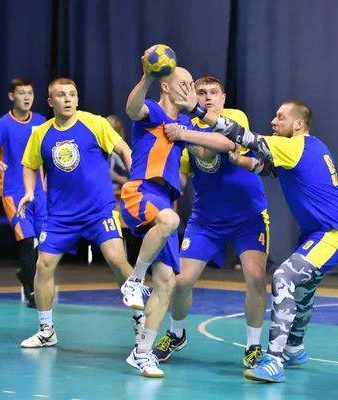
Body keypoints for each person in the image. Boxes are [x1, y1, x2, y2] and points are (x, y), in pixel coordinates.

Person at [166, 84, 338, 383]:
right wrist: (240, 160)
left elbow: (245, 137)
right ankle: (295, 349)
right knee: (303, 293)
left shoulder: (293, 145)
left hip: (331, 234)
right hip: (316, 234)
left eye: (280, 117)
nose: (273, 122)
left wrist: (198, 112)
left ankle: (274, 361)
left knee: (282, 279)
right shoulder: (311, 147)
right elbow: (266, 168)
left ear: (298, 124)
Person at [119, 65, 235, 378]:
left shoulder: (184, 122)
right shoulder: (154, 111)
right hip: (141, 191)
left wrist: (188, 131)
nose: (192, 90)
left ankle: (142, 353)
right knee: (170, 220)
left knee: (167, 283)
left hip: (165, 201)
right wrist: (146, 77)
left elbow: (209, 152)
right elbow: (132, 109)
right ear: (167, 87)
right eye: (184, 84)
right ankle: (134, 280)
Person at [152, 76, 268, 369]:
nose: (207, 98)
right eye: (201, 92)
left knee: (255, 277)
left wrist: (184, 133)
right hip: (206, 220)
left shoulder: (234, 117)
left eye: (213, 93)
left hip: (248, 216)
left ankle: (254, 345)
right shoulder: (185, 130)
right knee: (181, 282)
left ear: (223, 97)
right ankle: (177, 334)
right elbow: (182, 175)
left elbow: (223, 142)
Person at [17, 78, 142, 348]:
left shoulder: (95, 123)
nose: (68, 99)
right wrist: (29, 191)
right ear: (51, 102)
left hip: (99, 210)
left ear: (77, 99)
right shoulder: (41, 133)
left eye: (72, 94)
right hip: (60, 216)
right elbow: (29, 164)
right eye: (61, 95)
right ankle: (46, 330)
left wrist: (135, 180)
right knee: (43, 266)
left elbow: (123, 149)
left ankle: (141, 323)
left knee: (118, 261)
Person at [0, 78, 47, 308]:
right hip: (13, 192)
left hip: (41, 192)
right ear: (11, 97)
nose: (26, 97)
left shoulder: (42, 122)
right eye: (21, 93)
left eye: (30, 93)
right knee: (27, 241)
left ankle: (27, 276)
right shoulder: (3, 124)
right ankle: (33, 290)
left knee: (43, 243)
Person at [106, 115, 129, 189]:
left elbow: (123, 166)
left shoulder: (115, 152)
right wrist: (119, 178)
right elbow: (101, 167)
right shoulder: (98, 149)